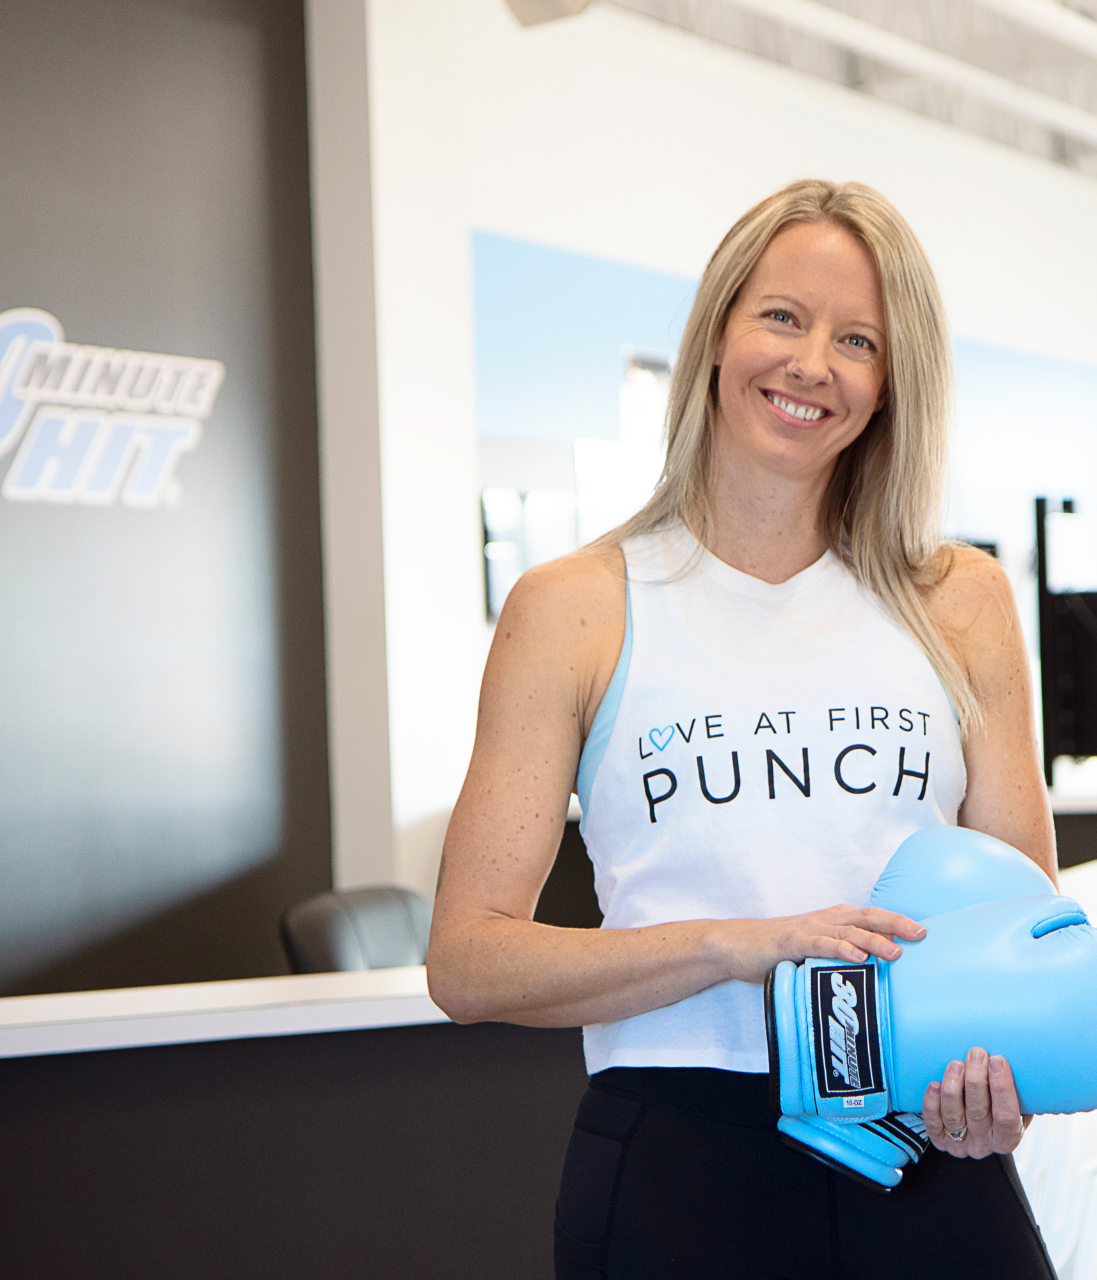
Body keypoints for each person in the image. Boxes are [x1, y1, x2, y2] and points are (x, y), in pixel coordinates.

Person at [428, 179, 1059, 1278]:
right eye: (782, 316)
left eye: (857, 338)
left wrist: (1001, 1088)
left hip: (925, 1157)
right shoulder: (576, 606)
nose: (812, 362)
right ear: (717, 332)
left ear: (889, 384)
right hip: (679, 1166)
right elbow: (469, 961)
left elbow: (1027, 934)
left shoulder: (962, 599)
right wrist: (738, 944)